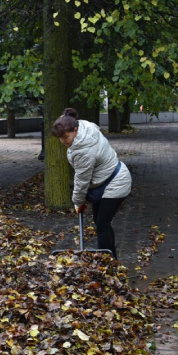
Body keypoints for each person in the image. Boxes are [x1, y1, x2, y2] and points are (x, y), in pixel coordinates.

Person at [51, 107, 132, 258]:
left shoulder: (84, 150)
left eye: (66, 137)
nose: (63, 142)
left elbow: (82, 180)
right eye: (60, 139)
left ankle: (105, 263)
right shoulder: (84, 126)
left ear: (75, 129)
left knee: (102, 223)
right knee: (101, 222)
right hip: (104, 181)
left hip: (116, 182)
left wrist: (77, 202)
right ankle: (112, 258)